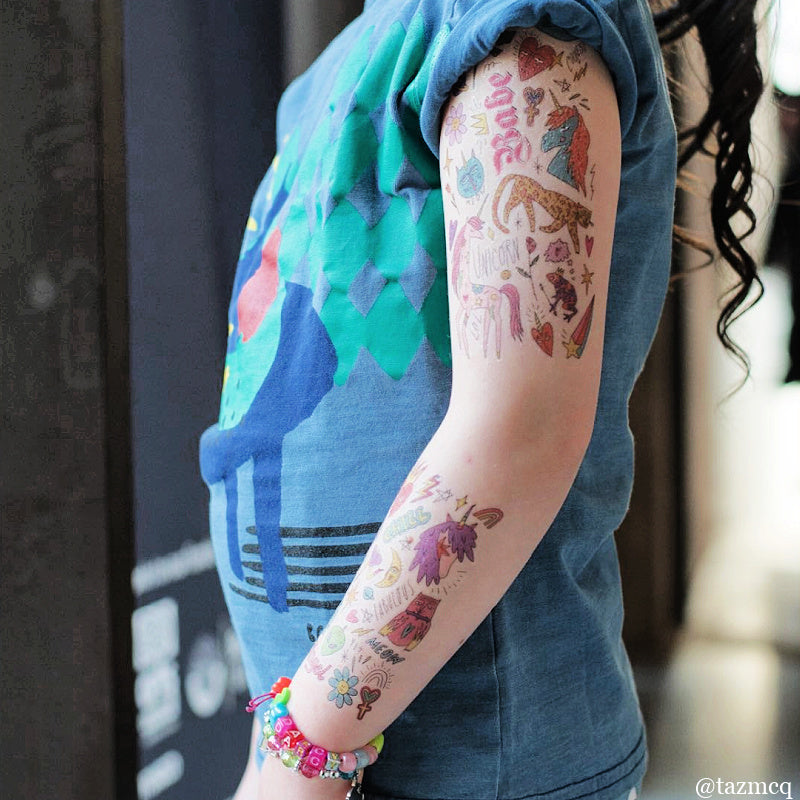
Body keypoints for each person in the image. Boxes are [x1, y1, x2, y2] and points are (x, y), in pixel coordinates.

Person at [199, 0, 762, 798]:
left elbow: (519, 430)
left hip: (482, 763)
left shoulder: (512, 19)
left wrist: (306, 746)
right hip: (327, 736)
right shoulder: (335, 71)